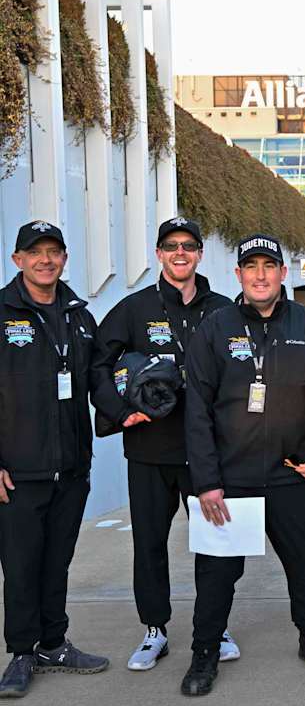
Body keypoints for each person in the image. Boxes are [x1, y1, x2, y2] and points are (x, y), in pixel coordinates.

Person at [182, 233, 305, 695]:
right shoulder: (214, 327)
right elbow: (196, 406)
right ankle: (204, 654)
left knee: (302, 565)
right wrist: (206, 482)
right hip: (229, 480)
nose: (260, 274)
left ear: (283, 273)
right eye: (250, 266)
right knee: (215, 574)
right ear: (237, 274)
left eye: (268, 266)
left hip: (292, 473)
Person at [92, 217, 236, 670]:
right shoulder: (134, 309)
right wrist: (118, 410)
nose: (180, 253)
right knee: (149, 544)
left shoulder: (223, 309)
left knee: (216, 544)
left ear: (198, 253)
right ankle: (155, 630)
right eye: (171, 246)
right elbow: (98, 364)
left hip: (208, 455)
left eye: (189, 245)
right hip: (150, 450)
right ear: (158, 254)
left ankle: (216, 625)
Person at [0, 221, 109, 699]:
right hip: (19, 470)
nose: (45, 260)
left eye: (54, 252)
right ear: (17, 260)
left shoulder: (80, 316)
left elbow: (101, 382)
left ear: (65, 259)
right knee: (21, 563)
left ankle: (53, 642)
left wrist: (136, 409)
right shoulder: (1, 314)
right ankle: (22, 651)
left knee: (57, 560)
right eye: (35, 252)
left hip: (71, 466)